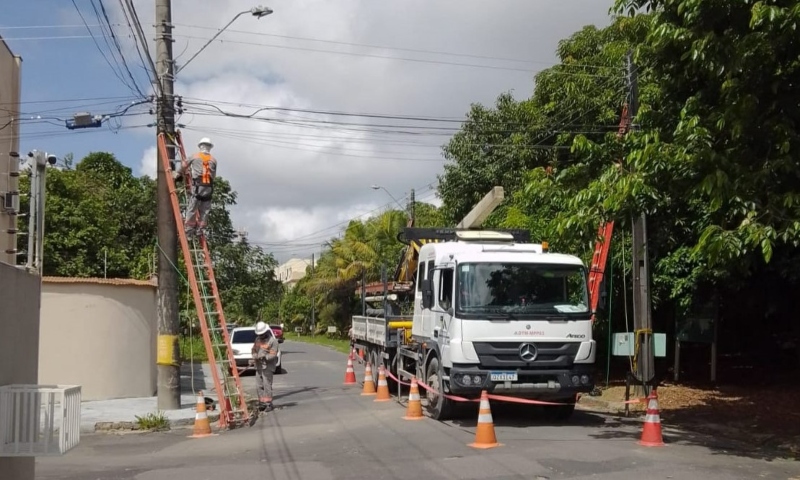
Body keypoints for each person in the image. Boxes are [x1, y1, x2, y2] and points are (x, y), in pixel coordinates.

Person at [180, 137, 217, 238]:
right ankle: (200, 229)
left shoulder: (194, 156)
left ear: (200, 146)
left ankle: (189, 229)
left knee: (192, 208)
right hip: (208, 187)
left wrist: (180, 173)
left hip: (197, 186)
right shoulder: (213, 160)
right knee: (205, 210)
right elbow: (213, 175)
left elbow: (184, 165)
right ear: (210, 147)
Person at [251, 321, 280, 412]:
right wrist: (255, 355)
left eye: (262, 334)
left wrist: (265, 357)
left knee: (267, 385)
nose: (261, 336)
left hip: (267, 367)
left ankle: (268, 404)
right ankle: (262, 403)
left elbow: (273, 354)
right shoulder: (257, 340)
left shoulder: (273, 341)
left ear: (265, 332)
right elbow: (254, 350)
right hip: (258, 366)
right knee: (258, 385)